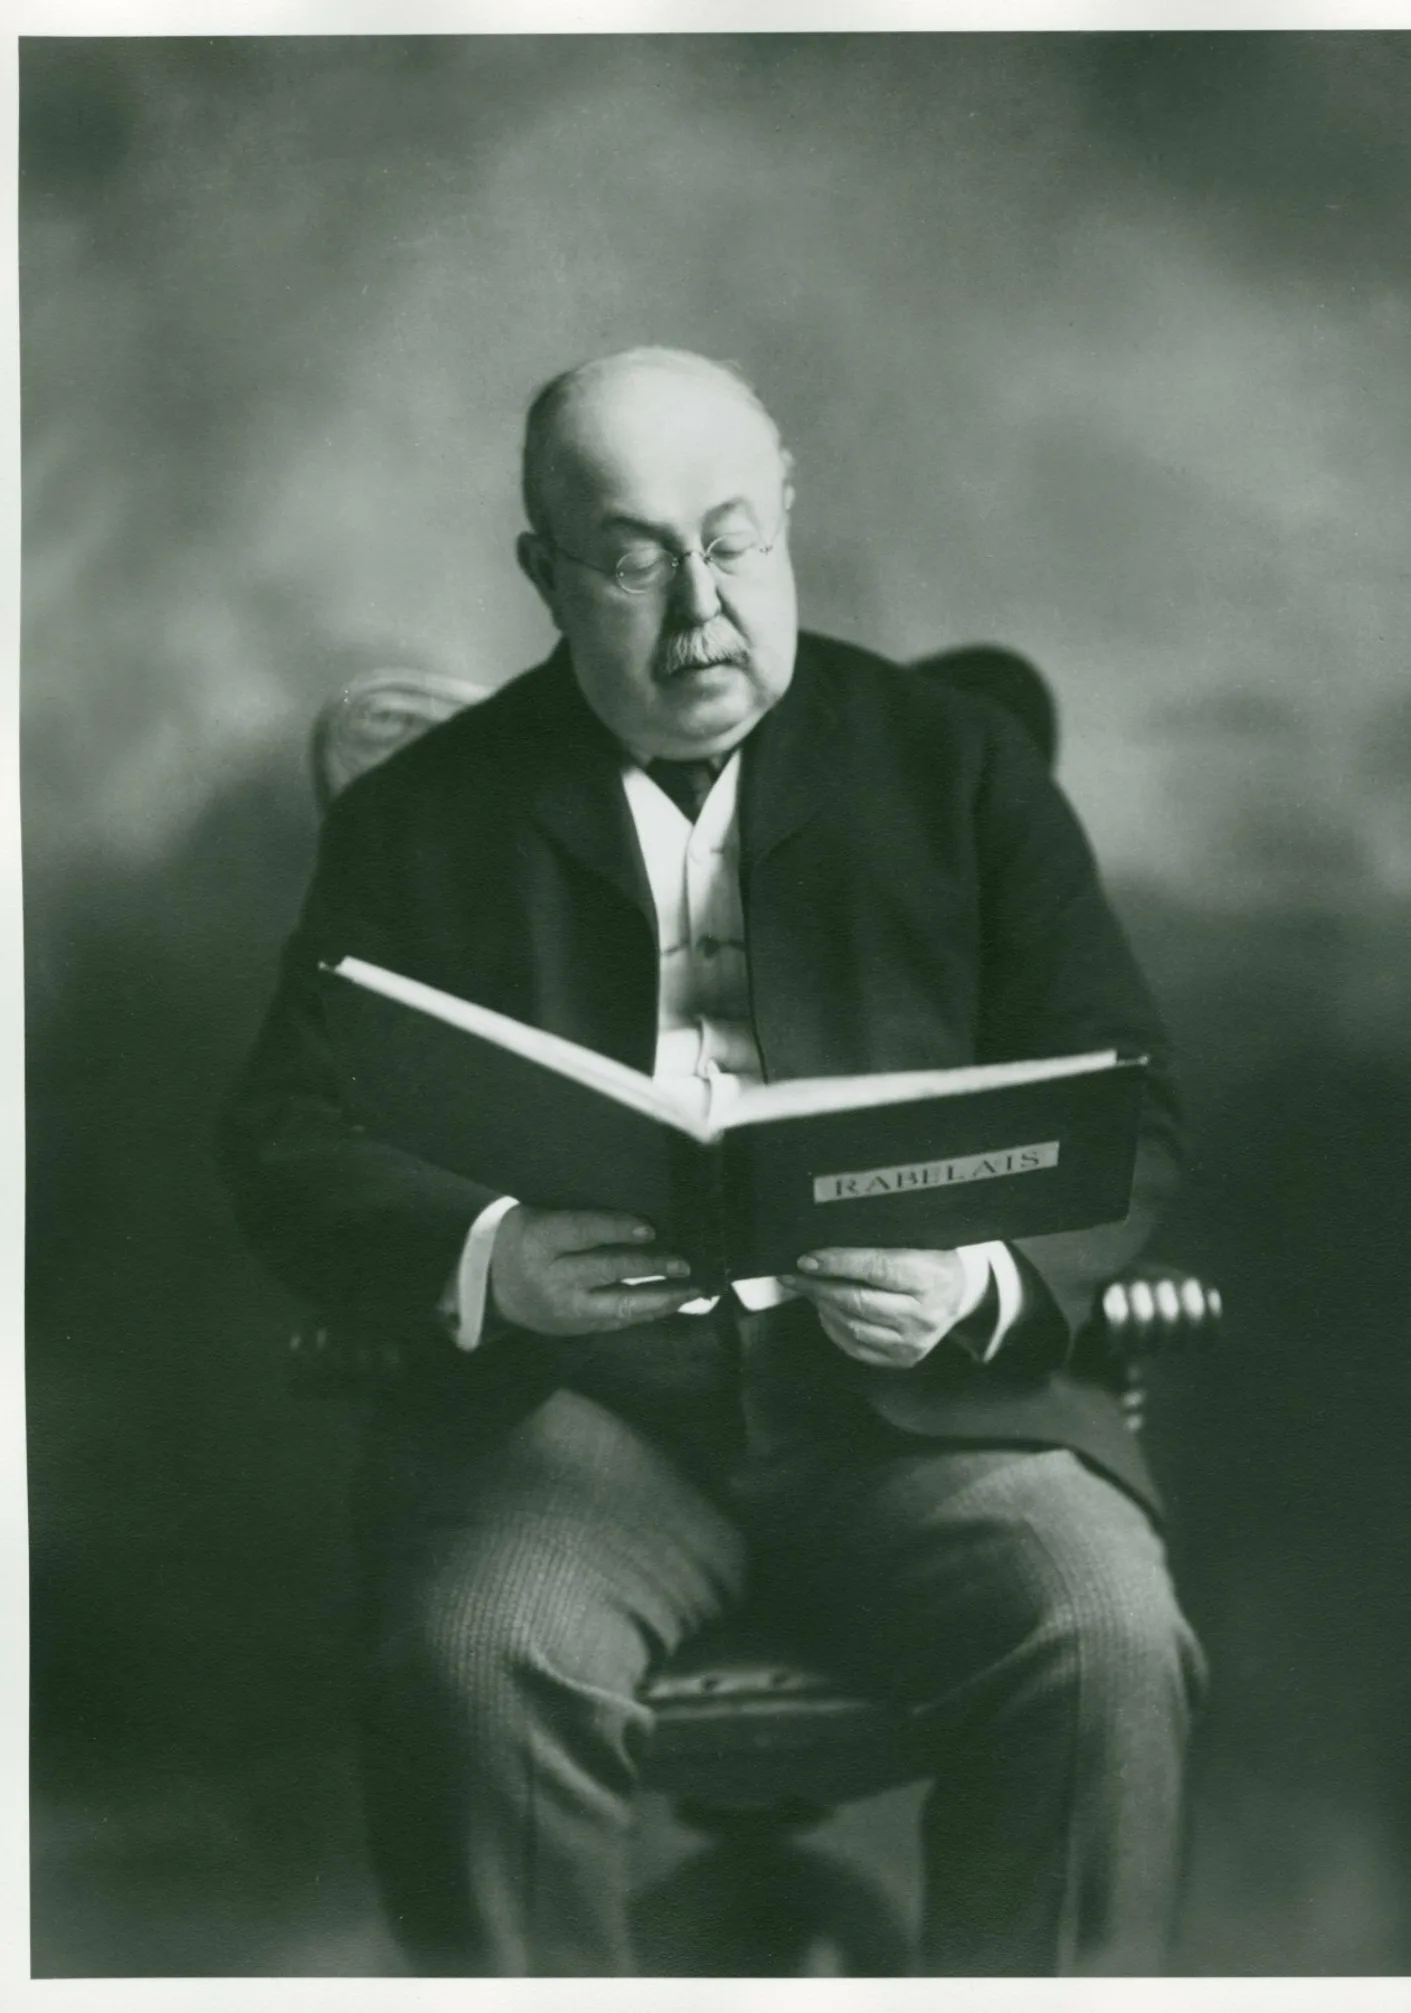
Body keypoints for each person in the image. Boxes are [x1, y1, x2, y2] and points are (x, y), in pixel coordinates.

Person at [220, 346, 1206, 1977]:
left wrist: (972, 1281)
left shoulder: (959, 767)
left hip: (922, 1413)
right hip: (578, 1416)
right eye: (632, 557)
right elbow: (283, 1134)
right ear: (546, 574)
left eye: (735, 541)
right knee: (474, 1647)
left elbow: (1131, 1104)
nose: (701, 613)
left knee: (1104, 1639)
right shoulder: (421, 820)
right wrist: (486, 1255)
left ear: (790, 520)